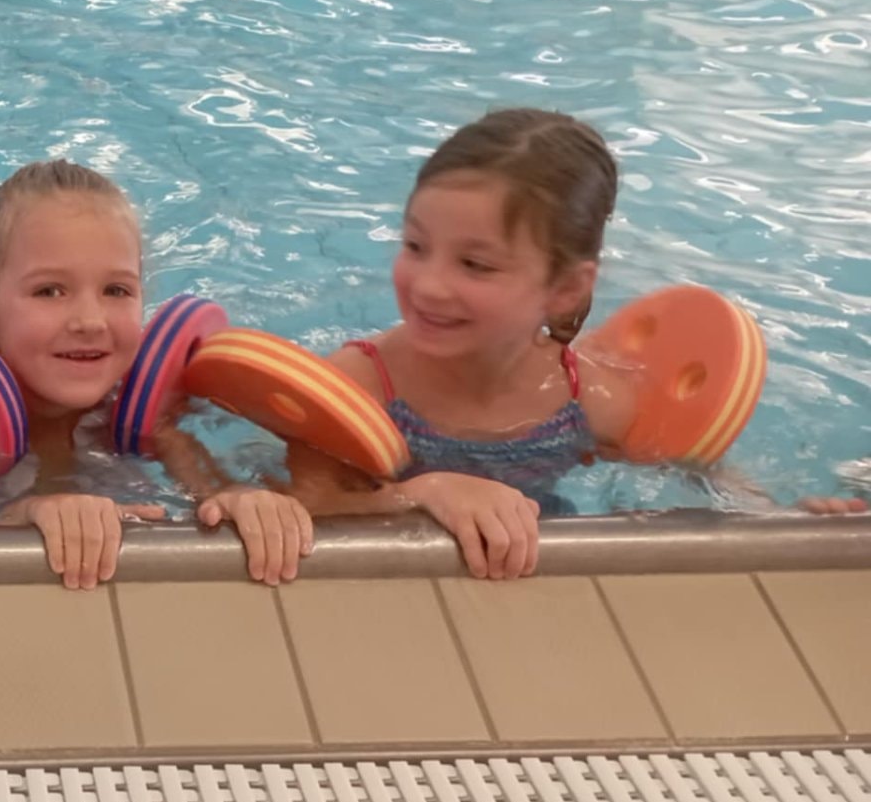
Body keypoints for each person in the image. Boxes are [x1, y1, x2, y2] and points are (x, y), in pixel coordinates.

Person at [291, 107, 862, 579]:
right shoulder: (359, 385)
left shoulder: (586, 397)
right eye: (415, 246)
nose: (429, 285)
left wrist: (789, 520)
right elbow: (306, 504)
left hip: (539, 574)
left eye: (475, 264)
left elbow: (706, 482)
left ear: (565, 289)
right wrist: (423, 493)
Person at [0, 160, 313, 588]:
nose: (90, 321)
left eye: (116, 290)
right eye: (49, 291)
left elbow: (214, 494)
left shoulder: (140, 413)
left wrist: (245, 502)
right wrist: (22, 518)